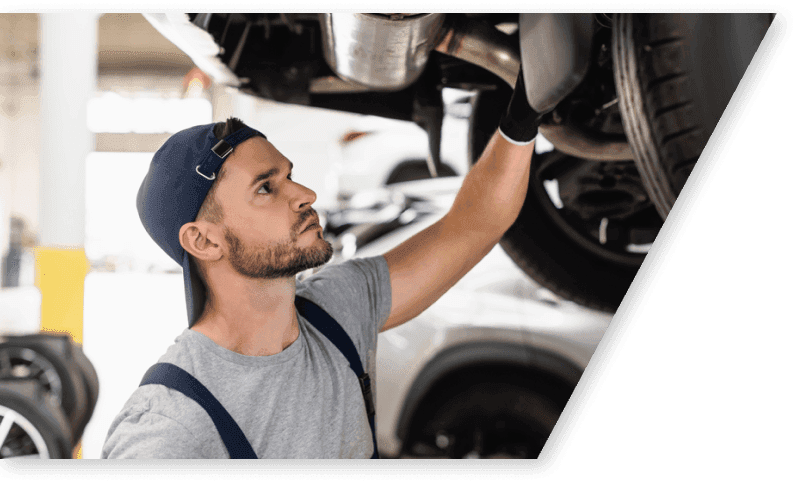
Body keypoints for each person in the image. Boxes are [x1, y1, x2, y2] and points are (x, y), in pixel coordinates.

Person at [101, 69, 541, 459]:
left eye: (288, 175)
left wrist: (526, 108)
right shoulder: (171, 426)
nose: (305, 193)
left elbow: (475, 223)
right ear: (203, 240)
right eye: (266, 188)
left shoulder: (338, 309)